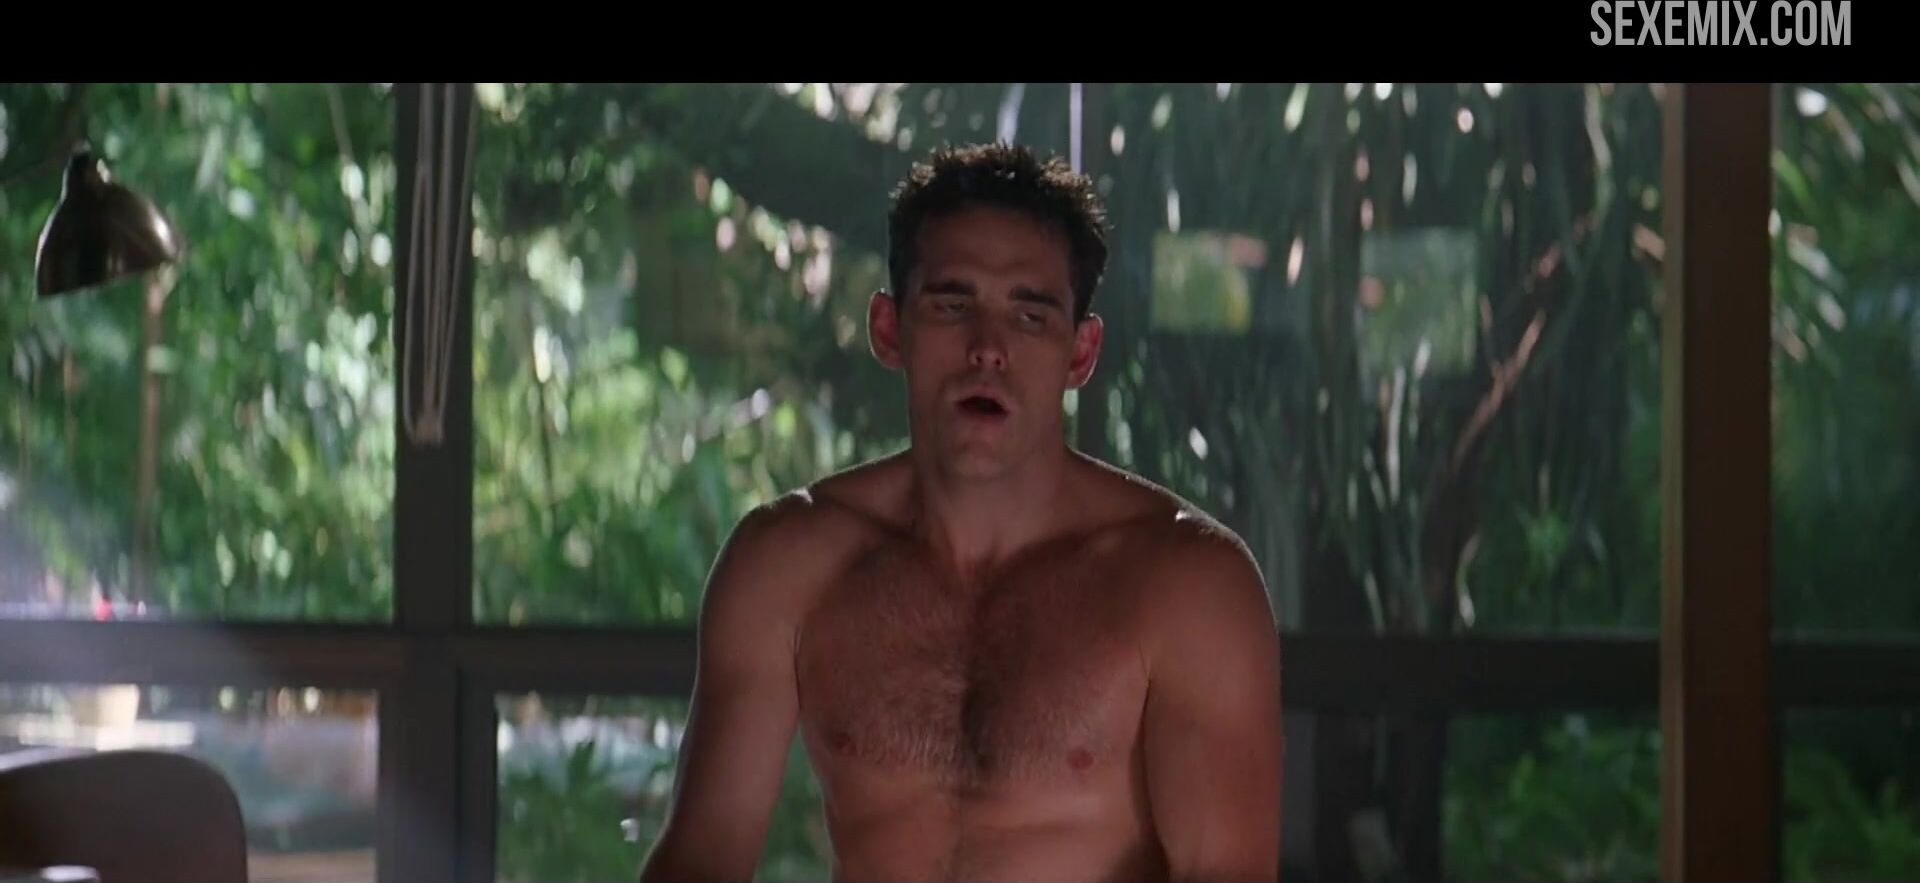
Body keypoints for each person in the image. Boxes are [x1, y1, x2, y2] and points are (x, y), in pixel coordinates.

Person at [640, 142, 1283, 882]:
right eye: (953, 306)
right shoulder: (788, 564)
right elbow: (702, 857)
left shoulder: (1187, 585)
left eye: (1029, 316)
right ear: (889, 329)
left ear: (1080, 353)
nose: (988, 349)